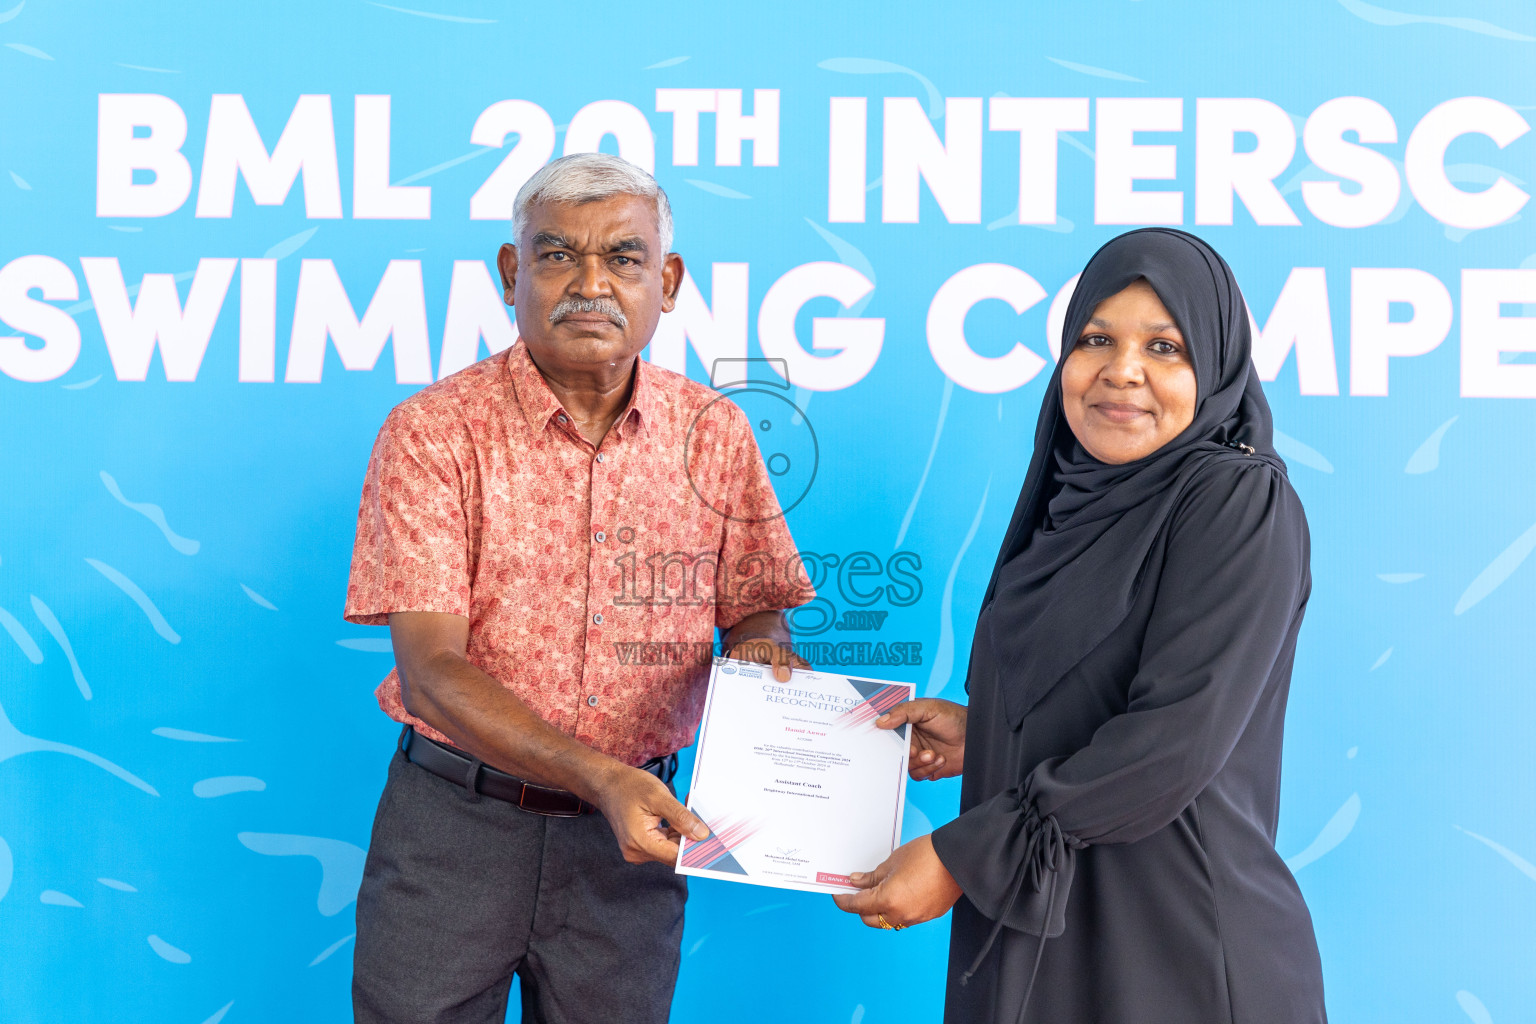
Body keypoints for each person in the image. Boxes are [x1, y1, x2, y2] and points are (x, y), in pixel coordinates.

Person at [344, 152, 813, 1024]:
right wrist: (601, 778)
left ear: (666, 282)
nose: (590, 283)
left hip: (628, 850)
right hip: (454, 827)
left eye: (623, 259)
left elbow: (758, 607)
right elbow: (432, 672)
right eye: (558, 255)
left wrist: (761, 652)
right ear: (512, 273)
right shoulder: (432, 433)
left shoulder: (716, 432)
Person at [832, 228, 1328, 1023]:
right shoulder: (1064, 506)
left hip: (1174, 946)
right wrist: (989, 734)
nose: (1121, 370)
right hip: (1045, 924)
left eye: (1164, 346)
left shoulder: (1236, 502)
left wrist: (964, 857)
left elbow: (1173, 739)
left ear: (1216, 367)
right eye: (1096, 339)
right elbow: (1100, 688)